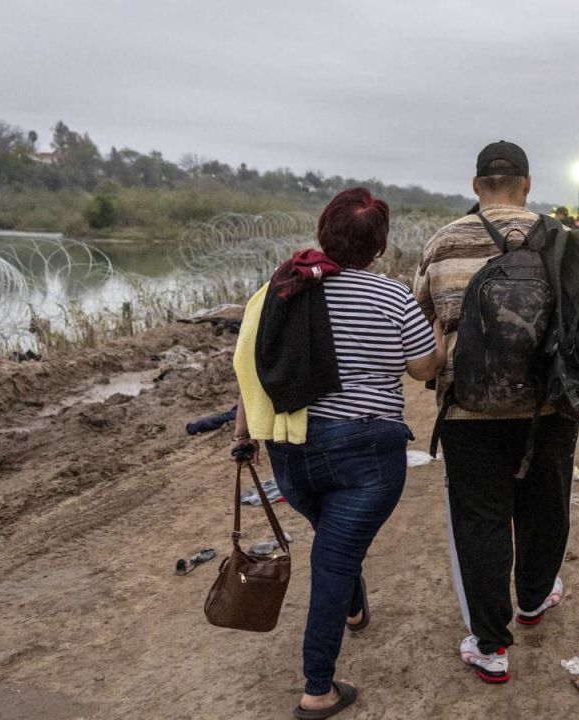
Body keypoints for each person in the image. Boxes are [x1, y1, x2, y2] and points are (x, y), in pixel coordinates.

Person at [231, 187, 445, 718]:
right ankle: (317, 689)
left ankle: (352, 605)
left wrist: (242, 436)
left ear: (323, 232)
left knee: (334, 544)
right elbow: (423, 370)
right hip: (366, 455)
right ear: (378, 246)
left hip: (292, 452)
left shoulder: (279, 293)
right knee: (332, 558)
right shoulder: (394, 297)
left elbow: (250, 370)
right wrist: (441, 335)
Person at [413, 141, 579, 684]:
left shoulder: (443, 244)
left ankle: (490, 646)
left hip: (468, 409)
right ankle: (534, 599)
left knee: (481, 521)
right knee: (546, 504)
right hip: (550, 406)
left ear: (475, 185)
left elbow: (422, 327)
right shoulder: (563, 240)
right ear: (527, 185)